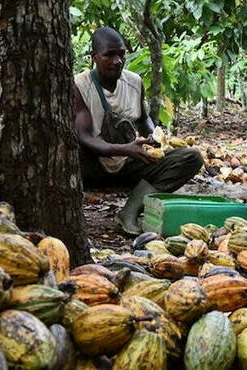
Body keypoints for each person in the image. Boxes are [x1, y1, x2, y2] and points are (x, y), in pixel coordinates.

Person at [74, 27, 203, 235]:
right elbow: (85, 137)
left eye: (121, 54)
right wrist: (126, 149)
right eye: (109, 55)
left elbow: (143, 119)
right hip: (91, 166)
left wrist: (153, 137)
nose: (117, 61)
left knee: (191, 158)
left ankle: (130, 211)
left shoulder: (134, 82)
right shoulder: (80, 85)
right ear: (95, 57)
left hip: (127, 164)